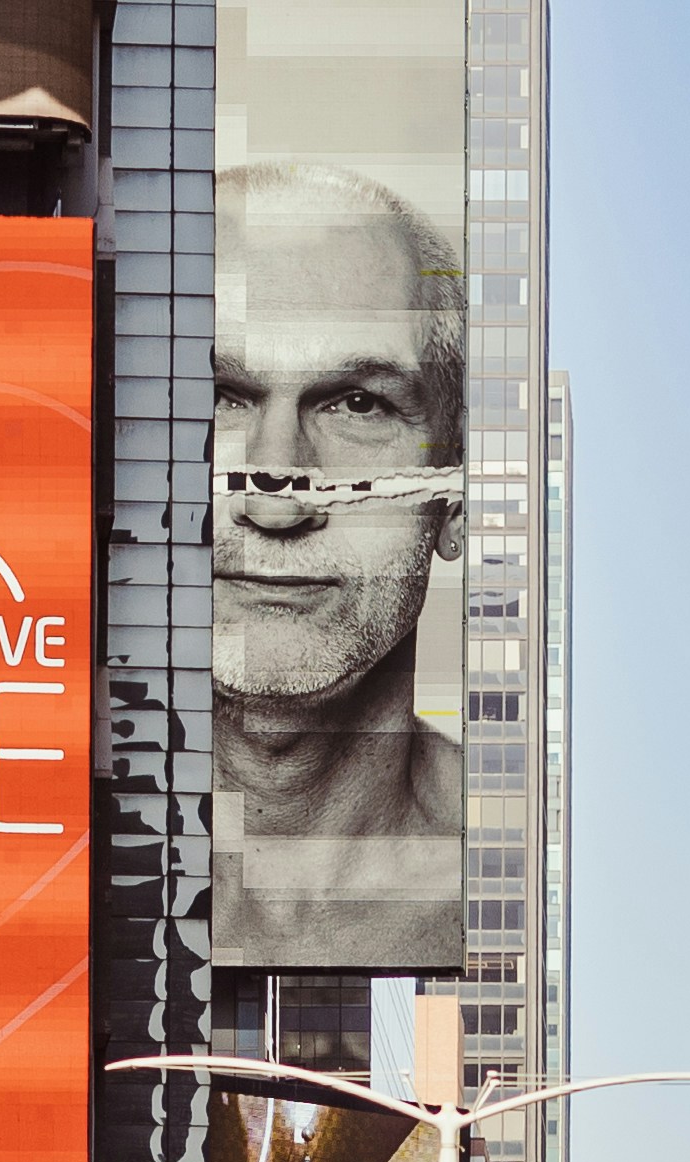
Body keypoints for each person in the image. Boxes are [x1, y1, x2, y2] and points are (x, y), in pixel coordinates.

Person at [212, 158, 470, 970]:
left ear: (456, 495)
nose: (276, 504)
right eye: (218, 397)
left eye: (359, 404)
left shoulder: (543, 884)